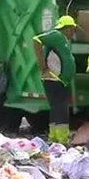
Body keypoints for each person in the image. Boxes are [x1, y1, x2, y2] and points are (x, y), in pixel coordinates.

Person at [33, 15, 77, 143]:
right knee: (61, 107)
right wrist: (42, 65)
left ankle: (54, 137)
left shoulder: (63, 39)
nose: (73, 32)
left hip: (59, 80)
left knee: (56, 108)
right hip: (54, 78)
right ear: (66, 28)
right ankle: (62, 139)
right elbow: (36, 40)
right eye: (72, 28)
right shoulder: (56, 35)